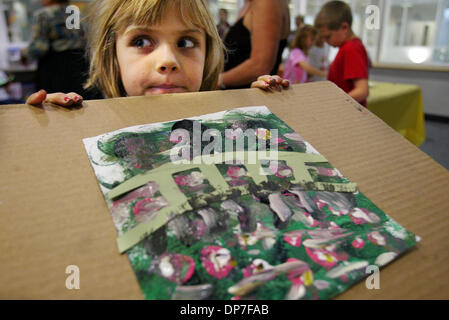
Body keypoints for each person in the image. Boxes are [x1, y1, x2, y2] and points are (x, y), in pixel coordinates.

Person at [26, 0, 289, 106]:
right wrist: (56, 131)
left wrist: (258, 110)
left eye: (186, 42)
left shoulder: (225, 124)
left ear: (208, 56)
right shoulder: (93, 125)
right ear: (112, 56)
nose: (167, 61)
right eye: (141, 42)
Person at [20, 0, 99, 100]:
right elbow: (88, 38)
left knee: (55, 104)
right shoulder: (76, 12)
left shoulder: (43, 15)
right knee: (80, 100)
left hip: (56, 66)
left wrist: (24, 54)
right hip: (80, 63)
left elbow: (39, 47)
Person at [219, 0, 290, 89]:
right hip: (238, 93)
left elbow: (260, 66)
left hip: (247, 95)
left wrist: (219, 80)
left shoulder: (267, 2)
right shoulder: (251, 3)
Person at [314, 0, 369, 106]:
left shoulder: (351, 49)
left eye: (328, 36)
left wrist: (333, 104)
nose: (325, 41)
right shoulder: (347, 48)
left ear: (344, 27)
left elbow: (362, 90)